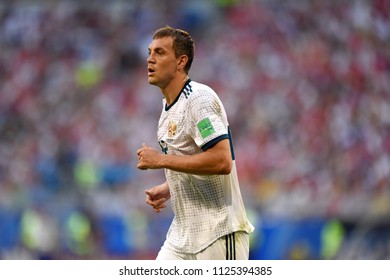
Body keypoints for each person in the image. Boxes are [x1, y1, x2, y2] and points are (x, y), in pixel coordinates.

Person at [137, 26, 254, 260]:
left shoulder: (199, 99)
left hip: (218, 234)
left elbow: (221, 160)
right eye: (150, 52)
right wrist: (171, 186)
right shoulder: (167, 109)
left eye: (160, 53)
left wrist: (161, 160)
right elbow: (193, 157)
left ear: (181, 61)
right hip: (182, 238)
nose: (150, 59)